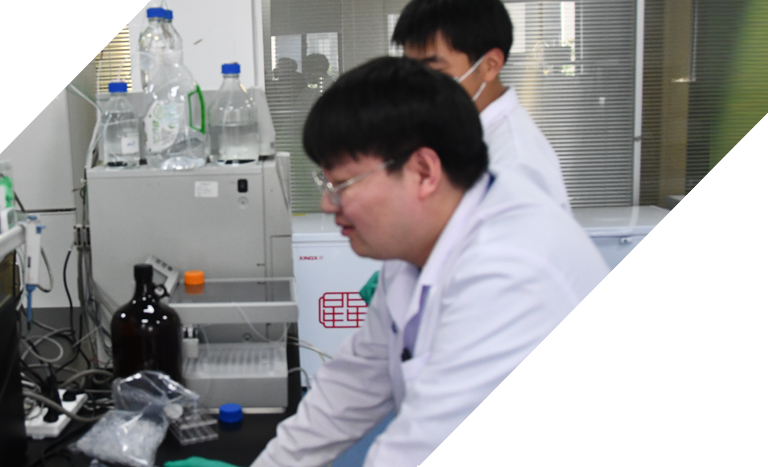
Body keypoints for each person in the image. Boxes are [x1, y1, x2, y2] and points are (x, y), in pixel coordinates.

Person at [250, 57, 704, 466]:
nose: (329, 205)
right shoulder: (417, 249)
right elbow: (352, 386)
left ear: (424, 172)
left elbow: (425, 455)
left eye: (342, 185)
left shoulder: (513, 270)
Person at [393, 0, 570, 211]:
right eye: (410, 70)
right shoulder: (457, 132)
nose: (417, 85)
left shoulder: (514, 164)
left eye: (433, 71)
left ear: (490, 65)